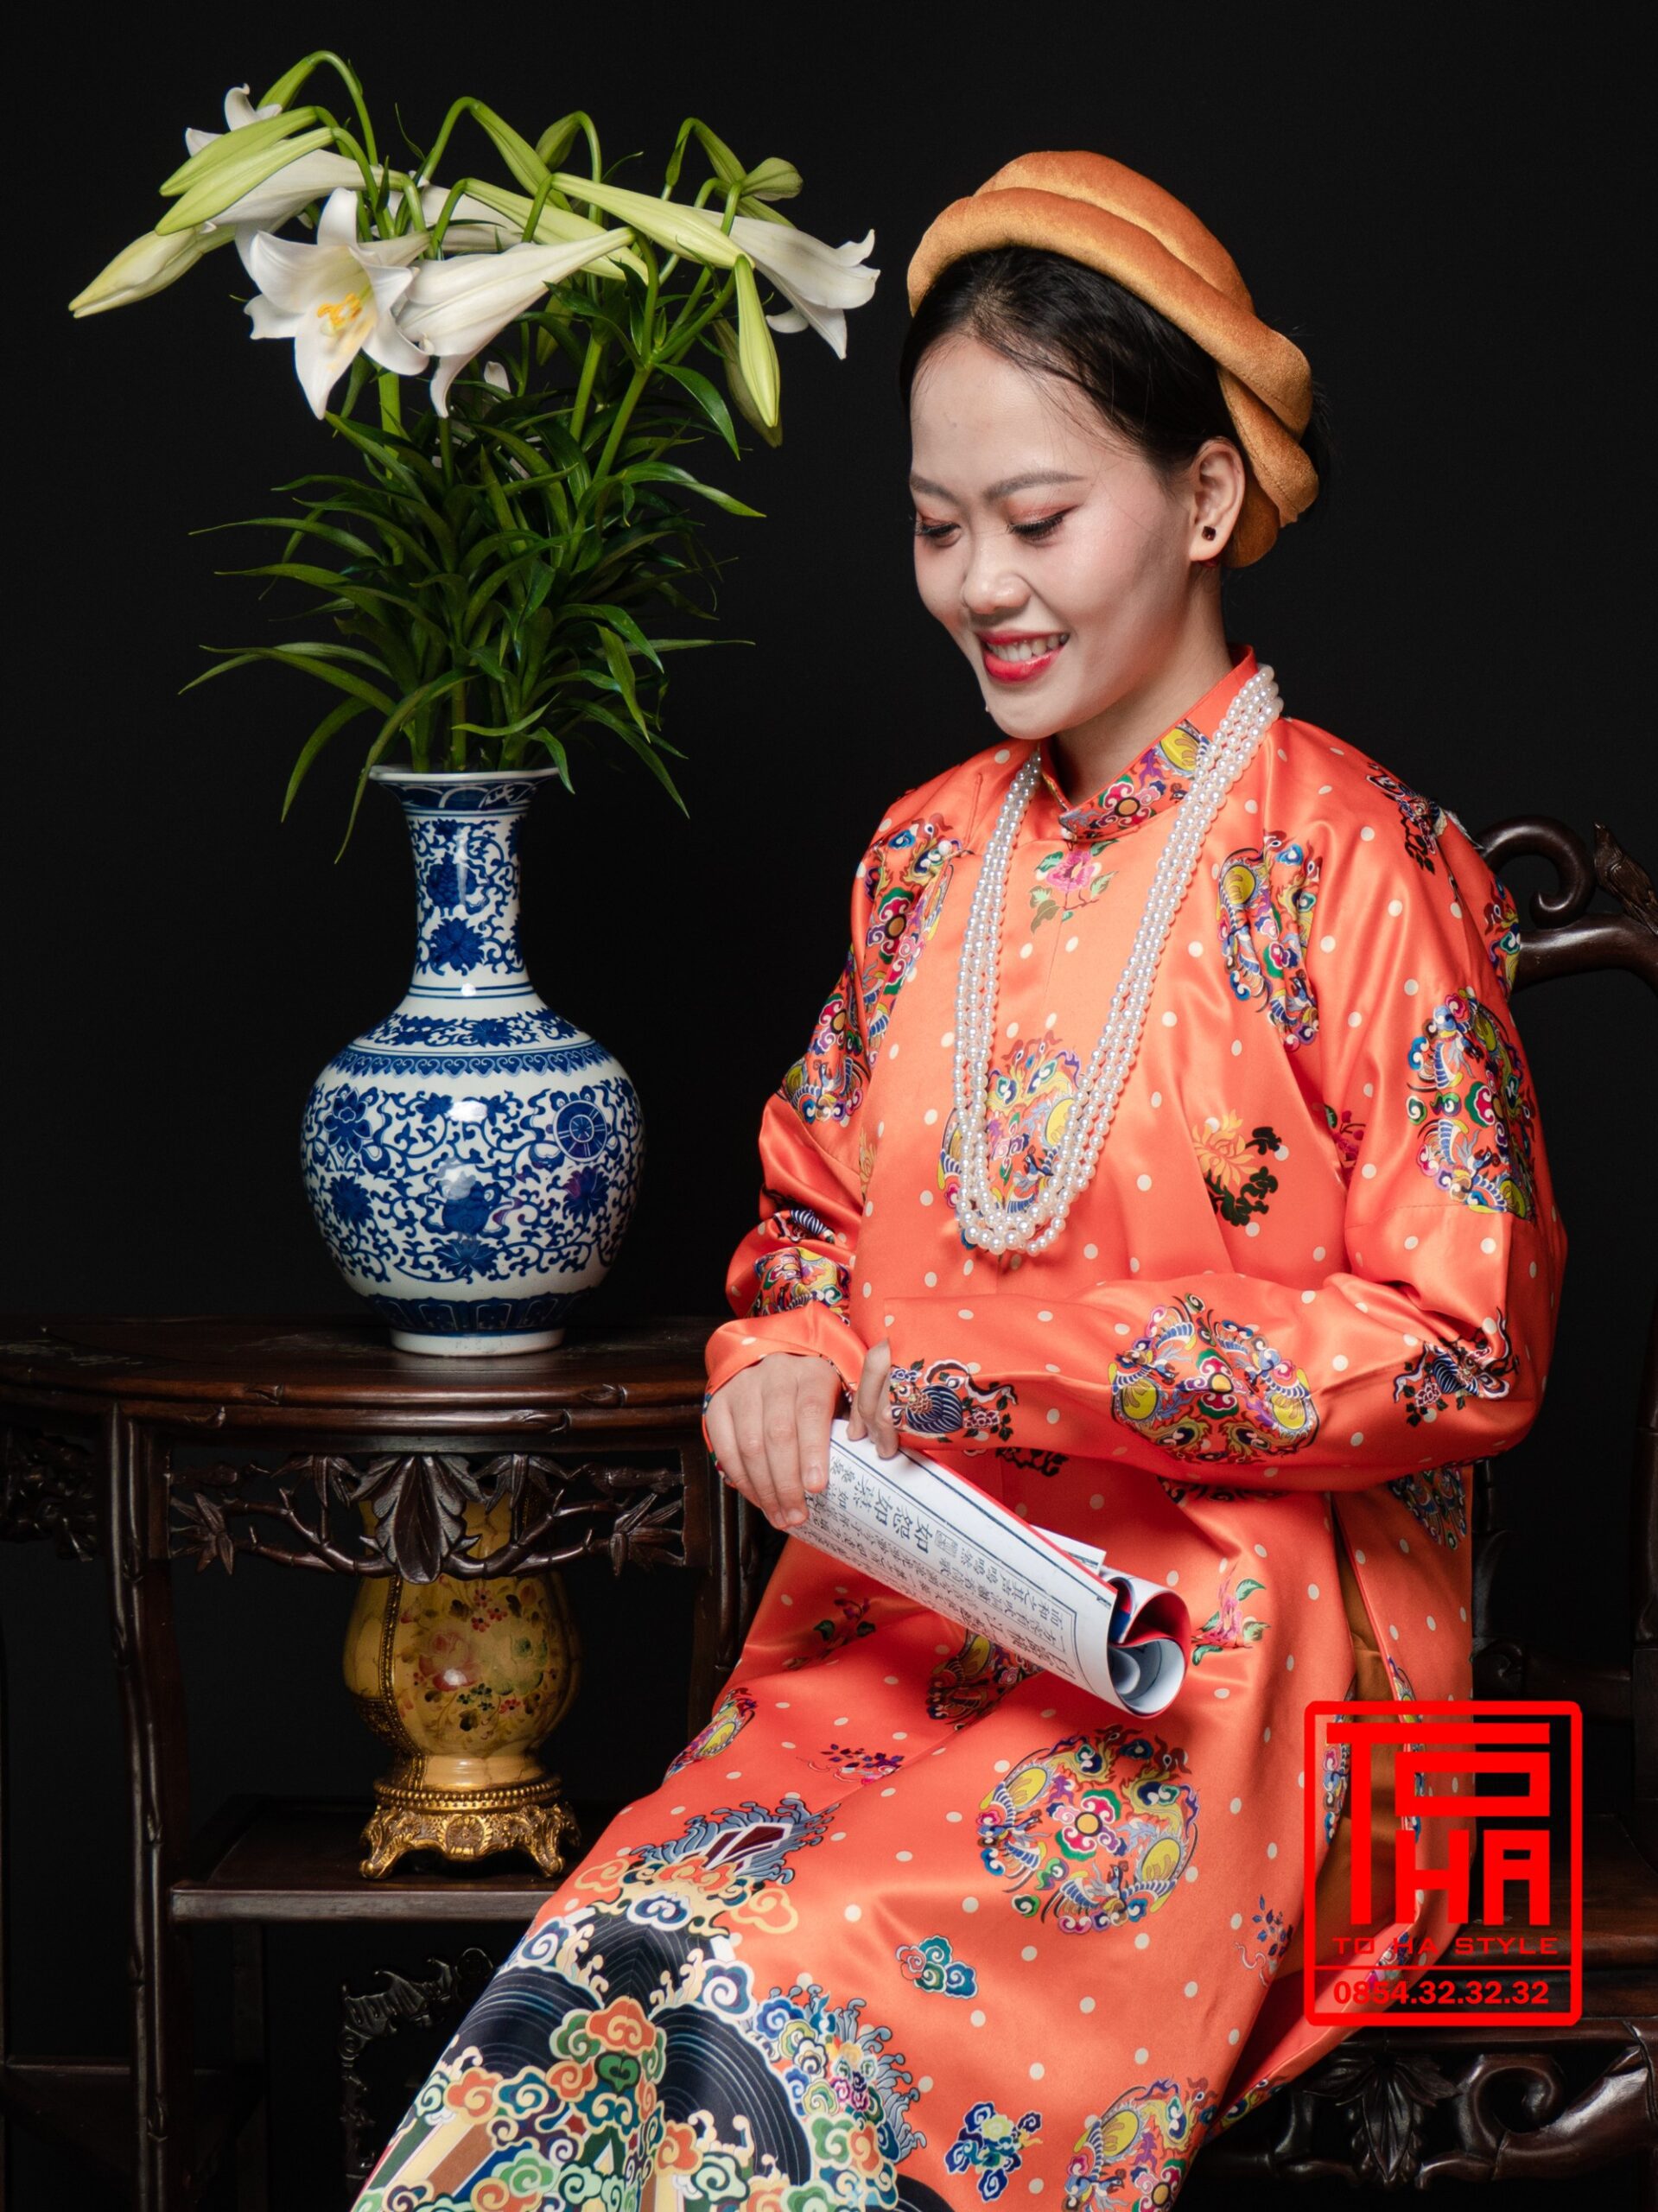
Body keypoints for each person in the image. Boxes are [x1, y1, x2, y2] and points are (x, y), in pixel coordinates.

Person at [355, 149, 1566, 2211]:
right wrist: (783, 1354)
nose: (981, 582)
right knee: (622, 1966)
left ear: (1203, 498)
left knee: (791, 1995)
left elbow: (1467, 1344)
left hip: (1247, 1663)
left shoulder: (1358, 861)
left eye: (1037, 517)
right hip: (911, 1628)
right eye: (937, 526)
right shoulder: (926, 858)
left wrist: (1003, 1366)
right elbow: (808, 1229)